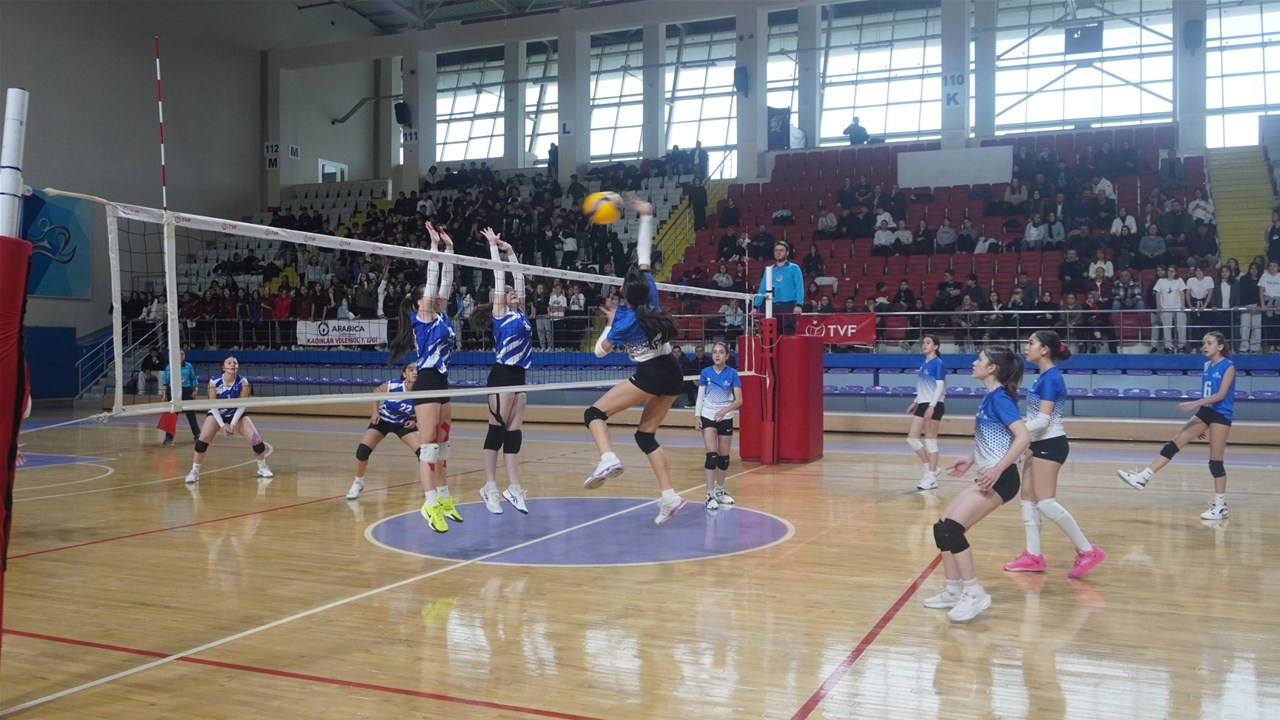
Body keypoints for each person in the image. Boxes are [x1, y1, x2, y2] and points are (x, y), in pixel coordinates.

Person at [582, 195, 688, 525]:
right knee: (645, 436)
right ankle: (670, 497)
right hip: (673, 372)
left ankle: (607, 457)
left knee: (593, 413)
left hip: (651, 373)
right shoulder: (650, 292)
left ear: (625, 293)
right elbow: (644, 255)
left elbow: (598, 351)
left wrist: (610, 322)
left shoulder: (624, 320)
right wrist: (646, 216)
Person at [922, 347, 1031, 623]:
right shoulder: (990, 396)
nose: (974, 362)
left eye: (980, 359)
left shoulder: (1001, 398)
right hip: (987, 474)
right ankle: (952, 590)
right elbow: (996, 437)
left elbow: (1023, 437)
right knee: (941, 528)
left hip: (1001, 479)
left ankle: (974, 593)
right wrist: (971, 459)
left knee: (952, 529)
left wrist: (997, 468)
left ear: (992, 368)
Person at [1001, 331, 1105, 578]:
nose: (1026, 347)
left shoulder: (1051, 379)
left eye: (1031, 343)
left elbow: (1043, 421)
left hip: (1050, 443)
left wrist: (1016, 431)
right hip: (1037, 443)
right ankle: (1033, 556)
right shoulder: (1043, 377)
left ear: (1045, 349)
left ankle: (1087, 550)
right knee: (1028, 499)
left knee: (1046, 503)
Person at [1117, 332, 1238, 520]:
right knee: (1175, 442)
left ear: (1220, 347)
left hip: (1221, 414)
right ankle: (1143, 477)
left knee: (1215, 461)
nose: (1205, 346)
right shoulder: (1207, 365)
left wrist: (1193, 404)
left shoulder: (1229, 366)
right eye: (1203, 343)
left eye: (1209, 343)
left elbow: (1221, 395)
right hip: (1205, 412)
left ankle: (1221, 506)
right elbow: (1208, 394)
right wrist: (1202, 421)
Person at [387, 222, 459, 533]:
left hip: (442, 382)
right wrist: (433, 248)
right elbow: (432, 280)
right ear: (420, 303)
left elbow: (446, 282)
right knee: (428, 448)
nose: (438, 297)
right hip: (427, 381)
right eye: (430, 296)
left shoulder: (441, 314)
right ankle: (429, 504)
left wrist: (449, 250)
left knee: (443, 446)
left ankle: (443, 497)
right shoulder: (423, 317)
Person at [469, 228, 533, 515]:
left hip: (520, 377)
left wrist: (511, 252)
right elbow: (499, 276)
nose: (512, 293)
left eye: (513, 292)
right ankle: (490, 486)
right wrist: (494, 247)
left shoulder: (521, 313)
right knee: (496, 432)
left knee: (514, 434)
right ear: (499, 298)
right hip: (502, 375)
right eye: (507, 293)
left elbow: (518, 277)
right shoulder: (500, 314)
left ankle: (514, 488)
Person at [184, 356, 273, 485]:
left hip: (236, 413)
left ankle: (262, 467)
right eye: (229, 363)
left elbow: (242, 406)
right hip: (217, 413)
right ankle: (194, 472)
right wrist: (222, 425)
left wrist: (232, 424)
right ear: (223, 367)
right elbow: (213, 406)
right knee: (202, 441)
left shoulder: (243, 382)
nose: (233, 364)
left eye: (235, 363)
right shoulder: (214, 381)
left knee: (257, 441)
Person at [345, 363, 423, 500]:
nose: (415, 372)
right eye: (411, 370)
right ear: (404, 374)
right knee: (362, 451)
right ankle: (358, 483)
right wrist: (375, 412)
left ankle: (428, 488)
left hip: (403, 424)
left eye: (417, 370)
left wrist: (414, 420)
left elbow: (424, 411)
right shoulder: (393, 385)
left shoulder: (423, 392)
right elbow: (376, 392)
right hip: (383, 420)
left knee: (423, 454)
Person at [694, 342, 743, 510]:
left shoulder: (732, 373)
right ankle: (709, 494)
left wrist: (724, 411)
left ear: (727, 356)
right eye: (715, 352)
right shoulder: (705, 372)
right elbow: (700, 397)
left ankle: (720, 491)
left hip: (725, 417)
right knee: (712, 456)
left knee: (724, 457)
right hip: (708, 415)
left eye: (721, 352)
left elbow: (739, 400)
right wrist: (697, 416)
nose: (717, 355)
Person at [906, 334, 946, 491]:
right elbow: (923, 388)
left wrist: (932, 406)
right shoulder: (924, 364)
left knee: (930, 441)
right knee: (912, 439)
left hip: (934, 405)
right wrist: (915, 402)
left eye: (928, 343)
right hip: (922, 404)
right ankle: (932, 468)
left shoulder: (938, 363)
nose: (924, 345)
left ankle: (931, 478)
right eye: (923, 343)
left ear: (935, 346)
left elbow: (939, 387)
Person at [752, 241, 804, 335]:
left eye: (781, 250)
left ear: (787, 252)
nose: (778, 253)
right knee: (773, 334)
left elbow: (799, 288)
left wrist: (799, 305)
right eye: (776, 250)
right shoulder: (769, 270)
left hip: (788, 306)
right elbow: (762, 289)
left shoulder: (794, 268)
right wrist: (755, 306)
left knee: (789, 334)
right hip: (772, 306)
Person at [161, 350, 201, 446]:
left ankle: (197, 435)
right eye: (178, 354)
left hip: (186, 391)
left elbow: (193, 379)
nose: (181, 356)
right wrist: (164, 395)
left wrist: (195, 390)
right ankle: (169, 438)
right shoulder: (169, 367)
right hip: (173, 392)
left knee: (191, 414)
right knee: (172, 415)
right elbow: (165, 382)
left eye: (182, 354)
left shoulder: (188, 366)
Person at [1154, 265, 1189, 353]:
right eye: (1169, 271)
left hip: (1178, 307)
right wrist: (1158, 305)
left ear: (1176, 272)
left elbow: (1182, 293)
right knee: (1167, 328)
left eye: (1172, 271)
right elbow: (1158, 293)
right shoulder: (1161, 281)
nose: (1170, 273)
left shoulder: (1179, 280)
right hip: (1165, 308)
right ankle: (1168, 346)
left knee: (1181, 327)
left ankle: (1181, 346)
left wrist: (1183, 305)